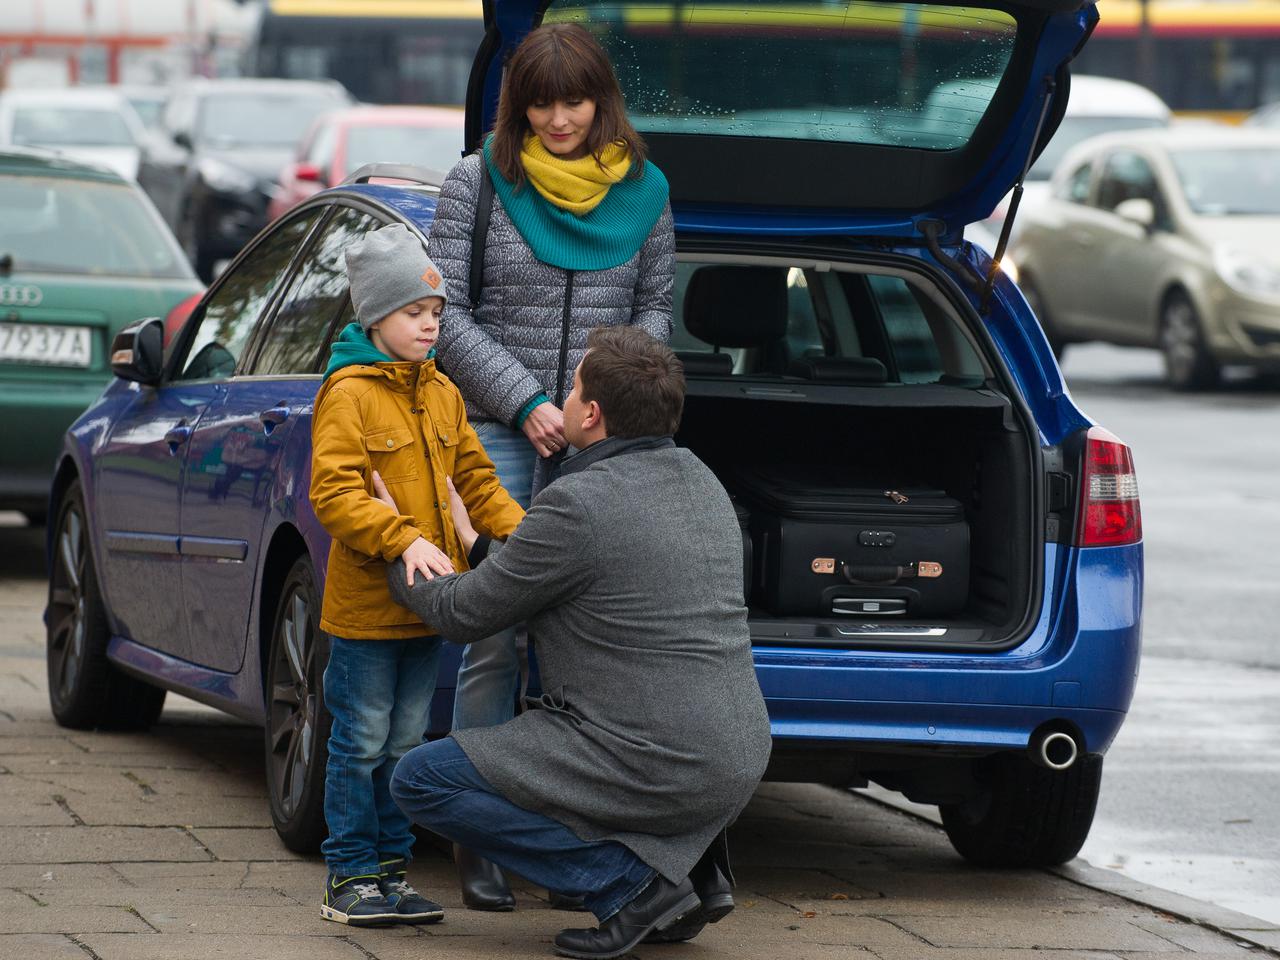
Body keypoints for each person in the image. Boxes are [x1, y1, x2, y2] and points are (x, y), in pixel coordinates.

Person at [386, 327, 773, 960]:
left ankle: (629, 887)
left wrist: (395, 549)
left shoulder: (578, 501)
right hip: (736, 752)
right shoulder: (701, 480)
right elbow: (572, 572)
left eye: (572, 386)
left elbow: (465, 614)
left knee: (424, 779)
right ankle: (690, 867)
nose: (563, 396)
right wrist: (479, 544)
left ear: (591, 415)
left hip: (651, 757)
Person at [428, 21, 676, 908]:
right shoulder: (477, 182)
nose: (559, 118)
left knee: (589, 644)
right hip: (503, 429)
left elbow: (656, 309)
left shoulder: (647, 192)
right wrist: (530, 401)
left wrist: (594, 407)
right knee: (494, 635)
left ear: (601, 99)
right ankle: (478, 834)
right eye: (542, 101)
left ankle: (574, 834)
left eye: (574, 101)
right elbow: (446, 313)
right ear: (518, 104)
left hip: (601, 439)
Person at [309, 223, 525, 927]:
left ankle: (392, 875)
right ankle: (349, 876)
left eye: (436, 315)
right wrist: (400, 536)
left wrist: (528, 537)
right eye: (414, 314)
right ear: (376, 317)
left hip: (428, 610)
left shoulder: (444, 394)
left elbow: (477, 478)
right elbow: (335, 494)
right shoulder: (348, 393)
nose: (430, 326)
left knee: (405, 744)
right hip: (368, 611)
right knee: (361, 740)